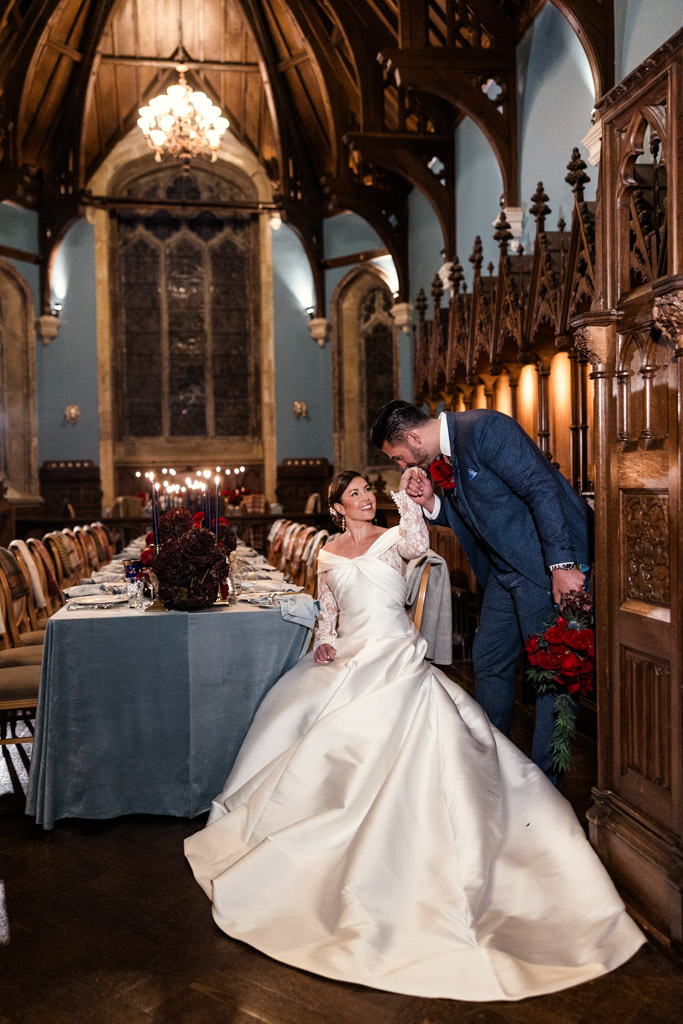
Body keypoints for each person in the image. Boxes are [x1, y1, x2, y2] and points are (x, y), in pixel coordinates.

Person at [185, 470, 643, 1002]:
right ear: (336, 508)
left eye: (365, 491)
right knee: (301, 718)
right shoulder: (328, 553)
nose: (362, 498)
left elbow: (419, 542)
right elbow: (328, 610)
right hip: (350, 655)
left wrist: (408, 499)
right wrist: (327, 641)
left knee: (404, 727)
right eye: (353, 494)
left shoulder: (392, 539)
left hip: (392, 655)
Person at [371, 400, 592, 783]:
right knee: (488, 658)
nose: (402, 466)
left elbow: (541, 489)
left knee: (549, 675)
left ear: (411, 437)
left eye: (398, 457)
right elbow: (478, 510)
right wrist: (432, 504)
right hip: (505, 573)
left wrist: (562, 564)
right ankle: (495, 764)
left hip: (539, 567)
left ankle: (545, 785)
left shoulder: (487, 429)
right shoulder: (446, 451)